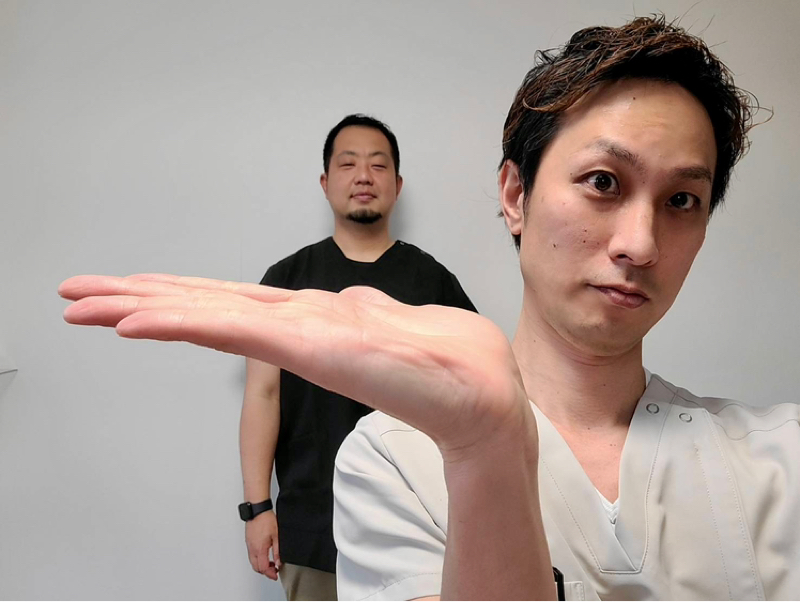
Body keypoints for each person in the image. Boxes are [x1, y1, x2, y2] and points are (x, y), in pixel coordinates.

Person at [58, 14, 798, 601]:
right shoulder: (374, 438)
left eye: (682, 200)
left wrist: (489, 432)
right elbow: (263, 397)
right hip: (316, 514)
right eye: (603, 181)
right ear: (515, 194)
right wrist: (259, 507)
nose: (640, 244)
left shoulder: (779, 459)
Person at [241, 114, 477, 600]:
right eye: (348, 164)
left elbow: (475, 397)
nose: (364, 176)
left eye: (378, 165)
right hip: (312, 525)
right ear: (326, 182)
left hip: (419, 524)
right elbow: (263, 395)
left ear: (397, 184)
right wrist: (257, 508)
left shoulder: (434, 283)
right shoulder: (286, 281)